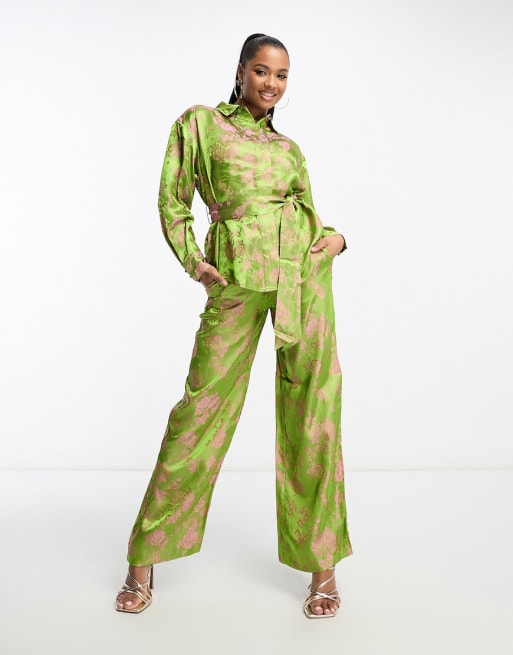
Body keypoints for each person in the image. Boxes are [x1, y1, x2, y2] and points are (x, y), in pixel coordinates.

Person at [115, 33, 352, 619]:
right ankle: (144, 556)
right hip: (236, 276)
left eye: (283, 75)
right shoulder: (201, 124)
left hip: (301, 276)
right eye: (262, 71)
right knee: (199, 410)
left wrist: (336, 240)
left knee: (314, 410)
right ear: (241, 71)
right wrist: (194, 260)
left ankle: (322, 568)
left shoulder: (289, 149)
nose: (272, 84)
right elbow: (173, 200)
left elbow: (309, 211)